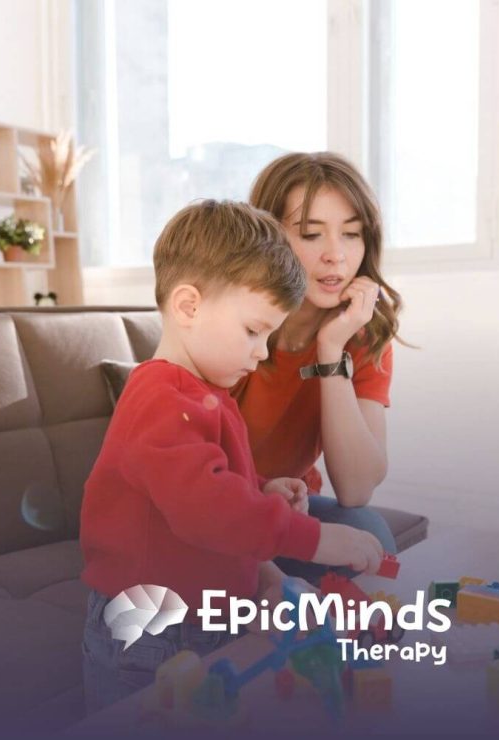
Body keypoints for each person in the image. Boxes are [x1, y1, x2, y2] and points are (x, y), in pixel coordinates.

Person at [79, 200, 384, 715]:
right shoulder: (161, 398)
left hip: (198, 618)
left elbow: (203, 481)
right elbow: (208, 511)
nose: (262, 351)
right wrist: (319, 540)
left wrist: (260, 487)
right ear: (188, 307)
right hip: (153, 628)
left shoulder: (201, 391)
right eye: (252, 331)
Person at [232, 153, 405, 582]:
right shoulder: (235, 326)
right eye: (311, 234)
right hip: (217, 509)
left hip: (284, 511)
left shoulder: (362, 334)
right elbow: (192, 480)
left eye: (351, 234)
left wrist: (331, 352)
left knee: (370, 534)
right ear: (268, 240)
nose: (336, 256)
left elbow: (356, 488)